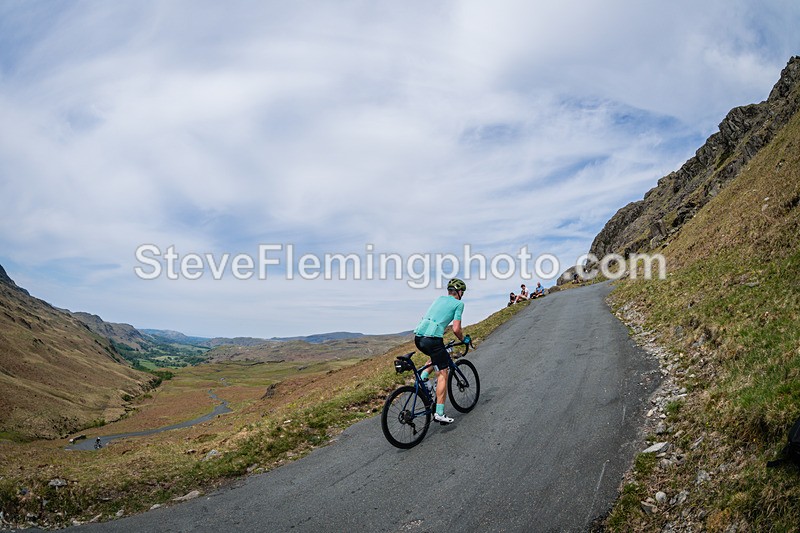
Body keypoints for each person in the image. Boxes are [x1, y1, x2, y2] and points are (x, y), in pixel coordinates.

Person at [413, 278, 471, 424]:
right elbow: (456, 329)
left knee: (437, 356)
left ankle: (424, 377)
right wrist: (463, 339)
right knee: (443, 374)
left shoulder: (439, 299)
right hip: (433, 339)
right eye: (462, 292)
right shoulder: (459, 304)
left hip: (419, 337)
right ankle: (439, 413)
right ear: (459, 292)